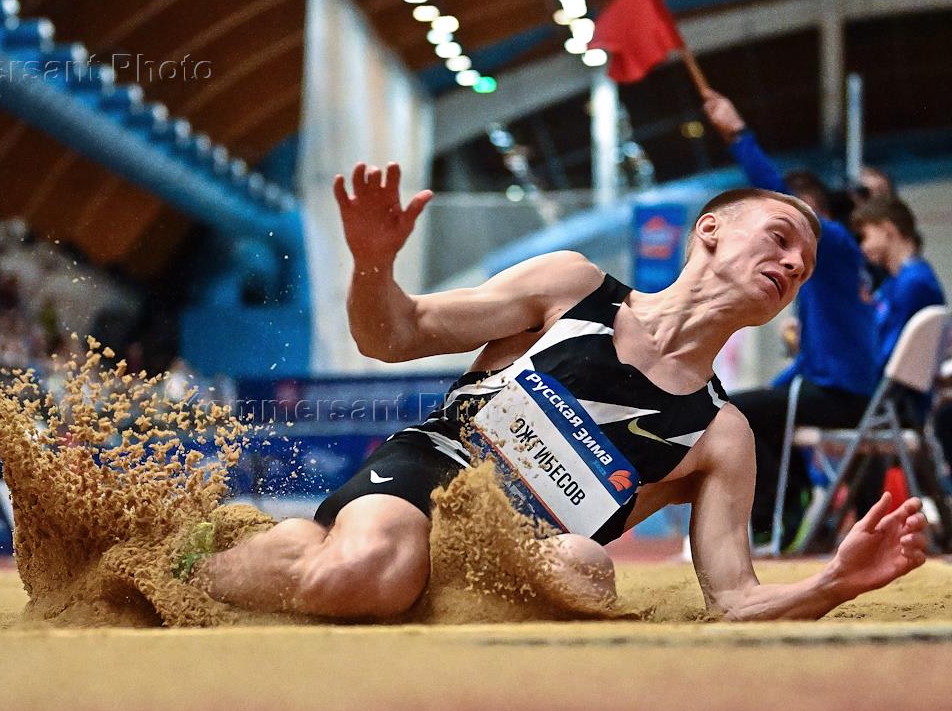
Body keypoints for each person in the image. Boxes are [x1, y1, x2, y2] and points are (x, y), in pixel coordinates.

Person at [173, 162, 926, 622]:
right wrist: (374, 264)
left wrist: (832, 582)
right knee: (365, 573)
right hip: (432, 478)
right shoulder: (573, 288)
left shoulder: (722, 434)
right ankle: (187, 567)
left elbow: (732, 599)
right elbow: (394, 336)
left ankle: (369, 579)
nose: (795, 264)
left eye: (805, 263)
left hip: (518, 551)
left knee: (586, 571)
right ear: (710, 232)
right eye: (781, 237)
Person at [700, 89, 879, 542]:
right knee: (750, 405)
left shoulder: (834, 244)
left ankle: (769, 519)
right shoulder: (828, 268)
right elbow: (815, 361)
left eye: (792, 216)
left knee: (741, 411)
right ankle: (787, 508)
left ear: (812, 212)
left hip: (846, 399)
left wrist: (737, 133)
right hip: (840, 391)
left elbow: (775, 192)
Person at [851, 196, 945, 376]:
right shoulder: (895, 282)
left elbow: (888, 353)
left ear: (888, 230)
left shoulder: (913, 283)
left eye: (865, 237)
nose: (862, 247)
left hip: (891, 392)